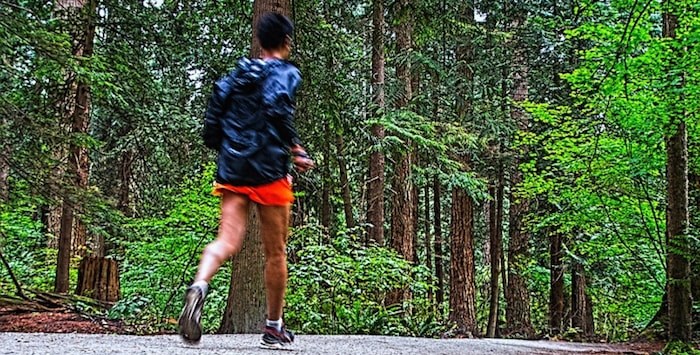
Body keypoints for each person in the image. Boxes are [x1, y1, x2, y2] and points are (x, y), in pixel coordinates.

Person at [178, 12, 313, 349]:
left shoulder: (236, 75)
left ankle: (199, 285)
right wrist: (296, 149)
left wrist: (226, 148)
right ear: (285, 42)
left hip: (234, 169)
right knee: (275, 252)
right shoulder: (285, 72)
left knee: (226, 240)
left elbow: (212, 123)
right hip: (268, 170)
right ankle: (273, 326)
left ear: (259, 41)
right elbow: (276, 105)